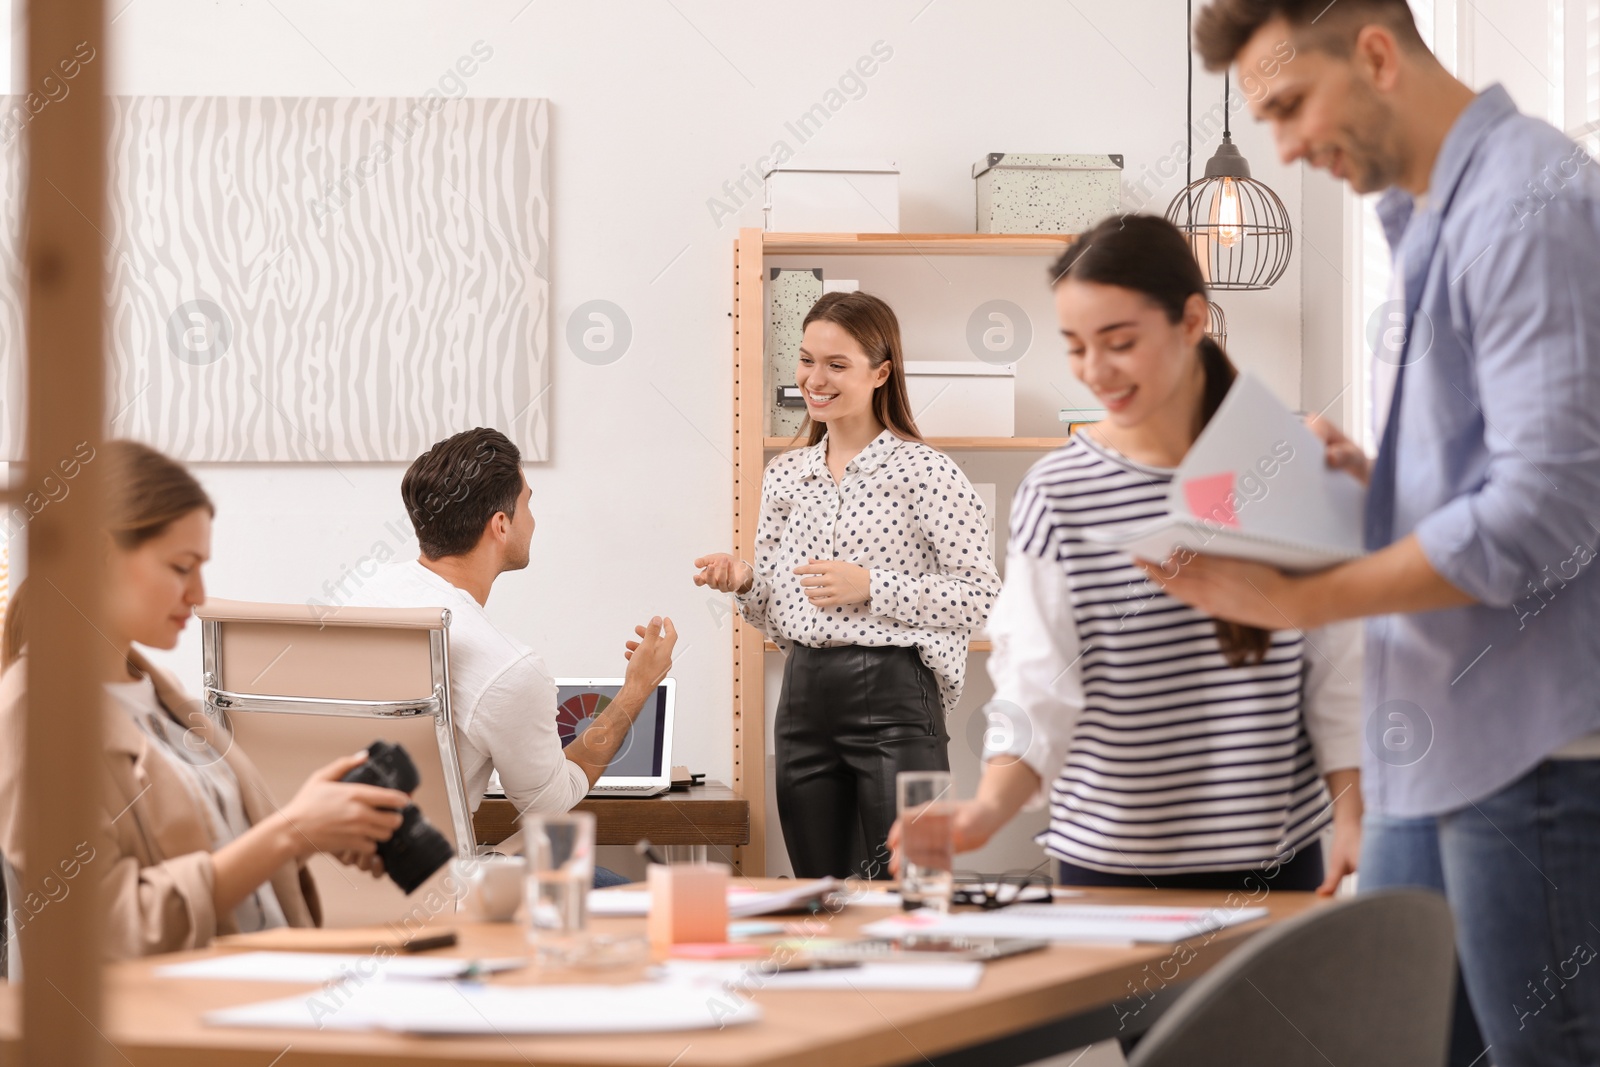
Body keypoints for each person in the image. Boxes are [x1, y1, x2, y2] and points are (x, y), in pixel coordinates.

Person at [1148, 4, 1600, 1065]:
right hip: (1435, 739)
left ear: (1377, 54)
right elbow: (1484, 479)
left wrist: (1302, 600)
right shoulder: (1429, 220)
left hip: (1527, 743)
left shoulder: (1527, 209)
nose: (1287, 147)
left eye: (1290, 105)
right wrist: (1360, 486)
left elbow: (1549, 510)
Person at [891, 216, 1363, 900]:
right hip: (1110, 872)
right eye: (1076, 347)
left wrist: (1351, 813)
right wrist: (987, 809)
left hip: (1276, 864)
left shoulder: (1280, 462)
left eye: (1120, 343)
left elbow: (1337, 665)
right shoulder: (1059, 493)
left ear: (1191, 320)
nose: (1094, 370)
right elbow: (1037, 686)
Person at [0, 441, 412, 959]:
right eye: (180, 566)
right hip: (172, 1020)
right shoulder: (34, 713)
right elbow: (105, 929)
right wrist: (287, 834)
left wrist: (314, 832)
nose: (198, 593)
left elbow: (216, 861)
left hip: (263, 984)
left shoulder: (164, 702)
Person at [694, 291, 1001, 880]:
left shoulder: (926, 471)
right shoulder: (787, 474)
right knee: (822, 897)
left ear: (881, 372)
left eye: (837, 365)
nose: (816, 378)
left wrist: (872, 586)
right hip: (803, 696)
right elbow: (775, 613)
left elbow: (982, 596)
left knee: (912, 891)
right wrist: (746, 582)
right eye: (807, 360)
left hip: (895, 697)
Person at [341, 428, 675, 883]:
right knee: (629, 893)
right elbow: (552, 803)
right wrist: (637, 688)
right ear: (501, 524)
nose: (533, 519)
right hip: (431, 887)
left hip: (320, 877)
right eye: (528, 503)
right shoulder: (505, 667)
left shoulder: (357, 595)